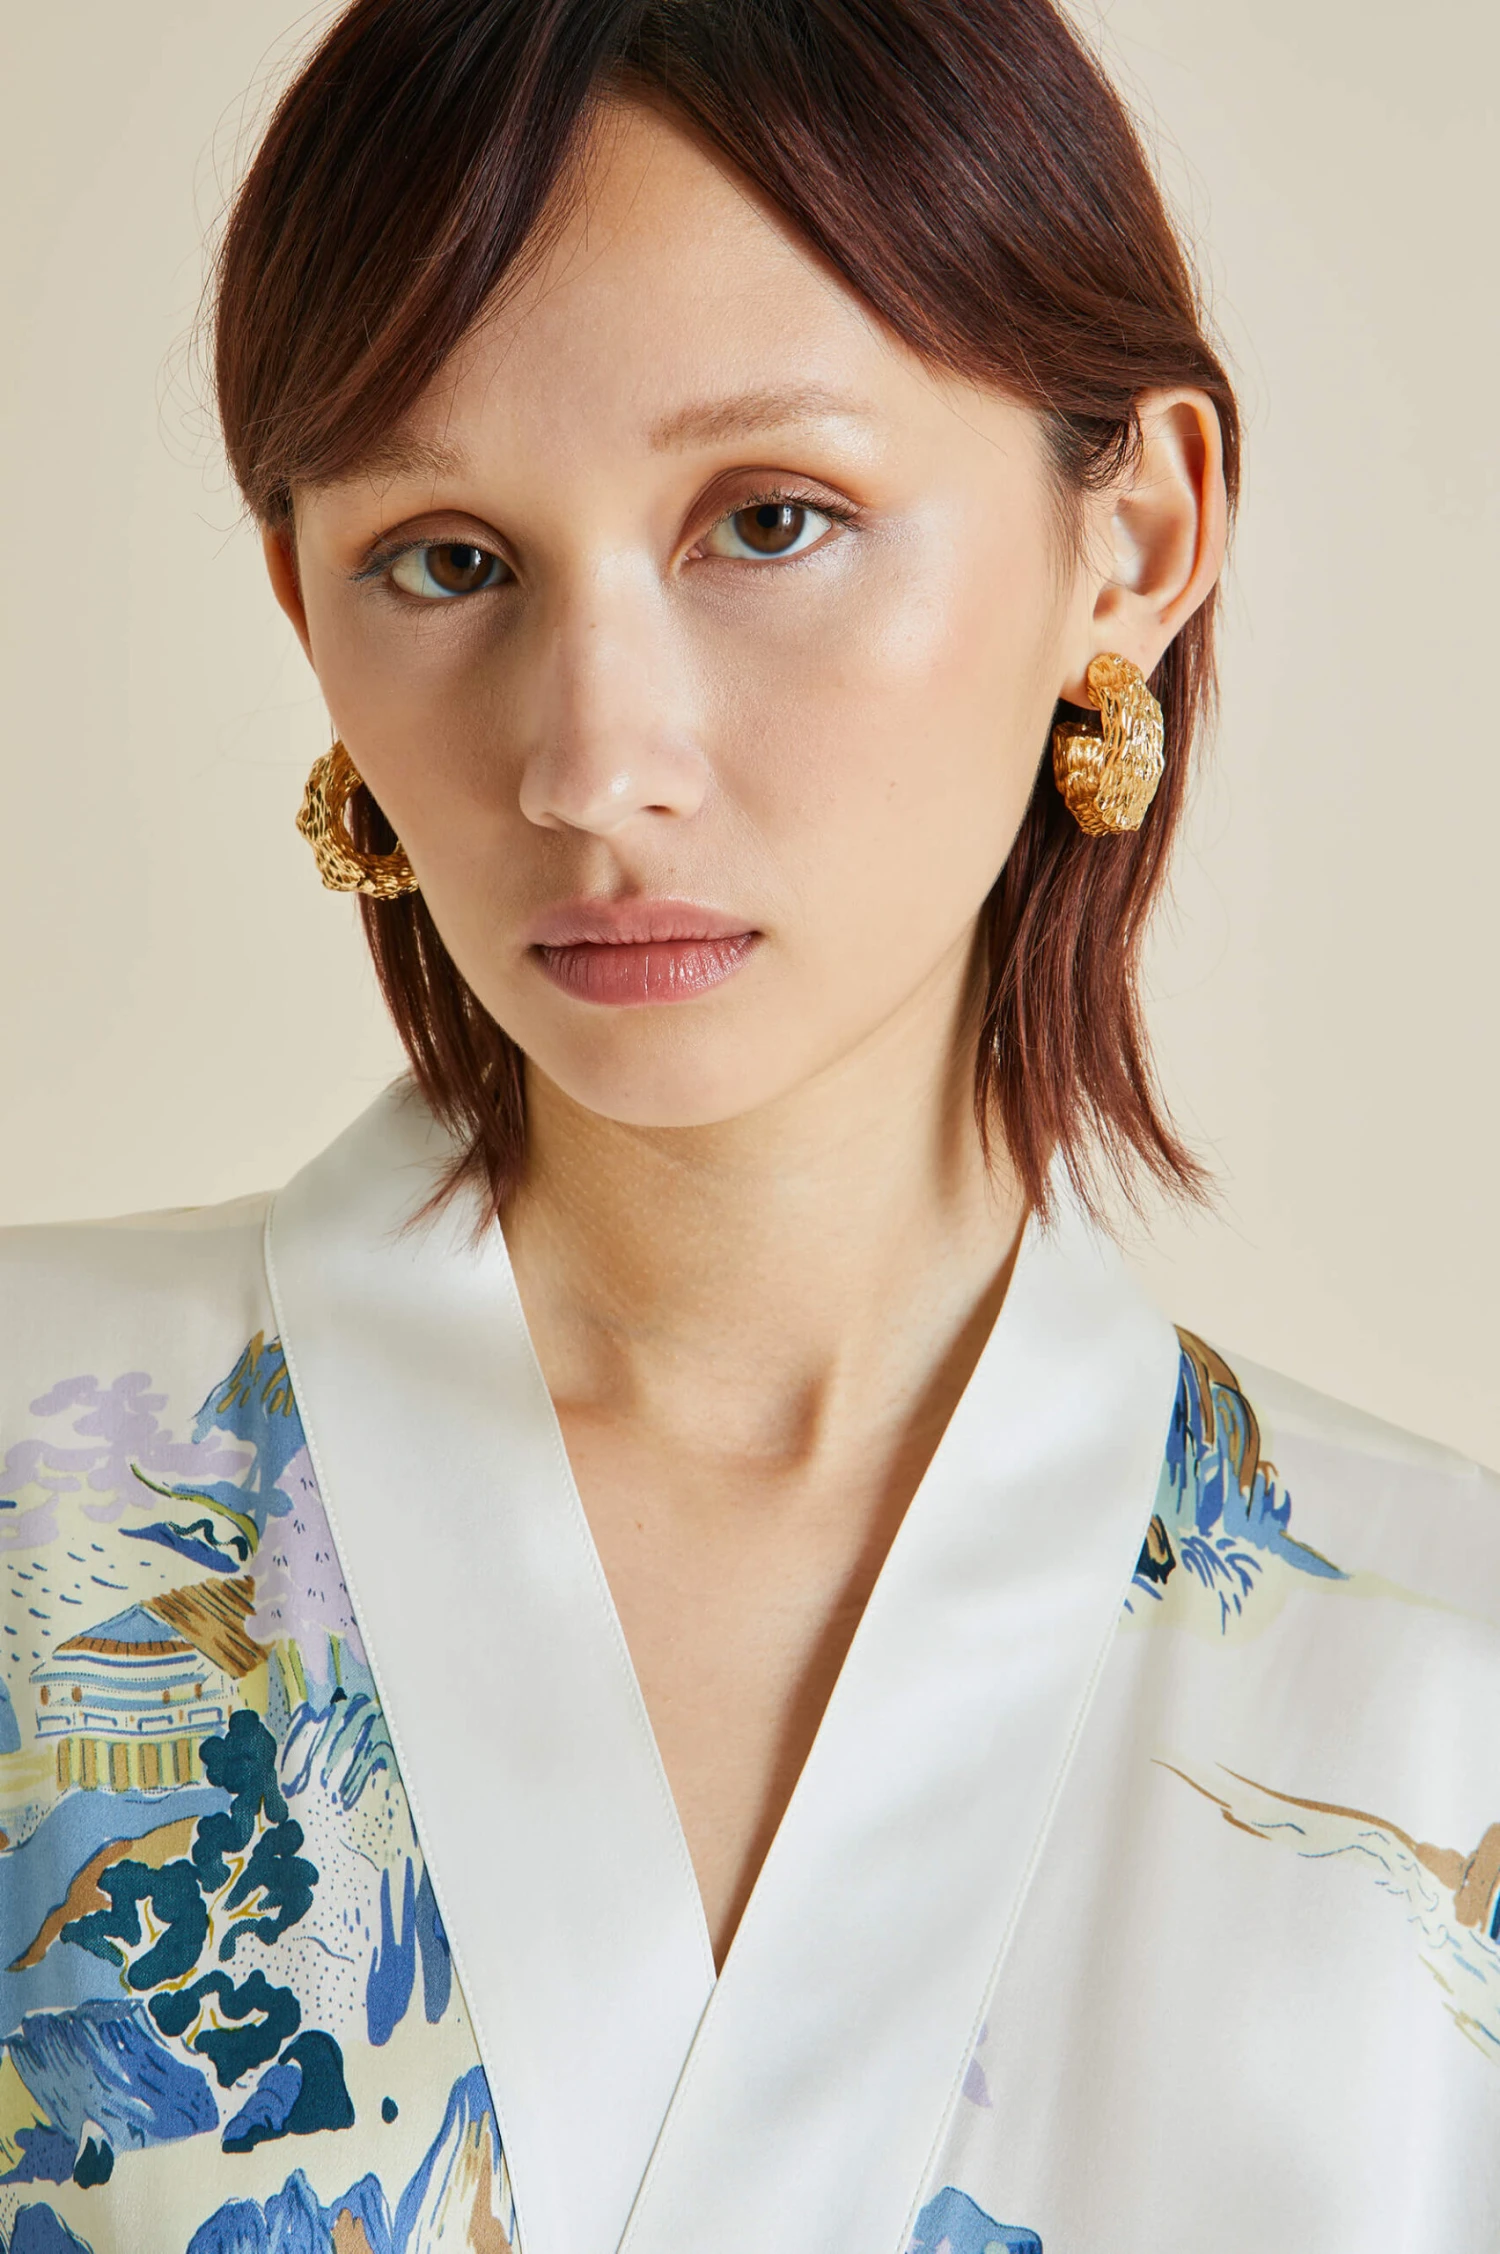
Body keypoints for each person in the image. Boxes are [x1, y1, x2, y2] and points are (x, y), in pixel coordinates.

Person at [0, 1, 1494, 2249]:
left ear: (1135, 532)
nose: (594, 762)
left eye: (770, 521)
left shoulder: (1447, 1681)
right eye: (446, 557)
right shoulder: (32, 1471)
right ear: (303, 596)